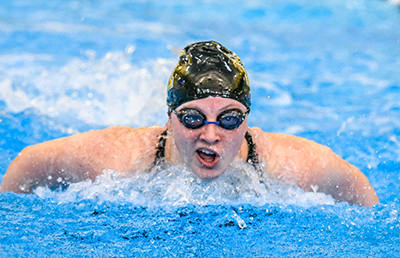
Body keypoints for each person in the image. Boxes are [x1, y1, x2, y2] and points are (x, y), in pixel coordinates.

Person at [0, 41, 379, 206]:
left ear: (247, 120)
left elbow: (361, 193)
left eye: (229, 119)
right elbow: (29, 162)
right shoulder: (118, 159)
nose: (211, 135)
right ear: (170, 116)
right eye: (193, 118)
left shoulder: (289, 164)